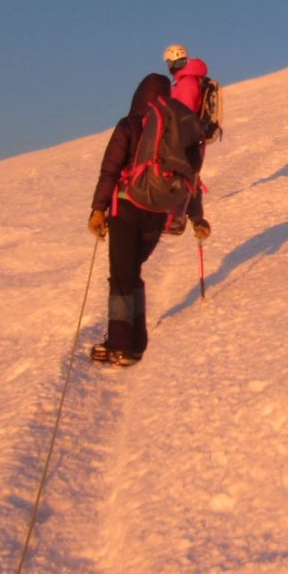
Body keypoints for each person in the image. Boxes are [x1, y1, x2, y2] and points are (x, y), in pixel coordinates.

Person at [88, 73, 209, 366]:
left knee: (121, 277)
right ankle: (135, 342)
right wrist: (197, 218)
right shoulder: (178, 131)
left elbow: (110, 169)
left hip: (126, 208)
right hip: (158, 212)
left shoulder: (129, 125)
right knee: (131, 273)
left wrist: (98, 208)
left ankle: (121, 345)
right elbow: (190, 176)